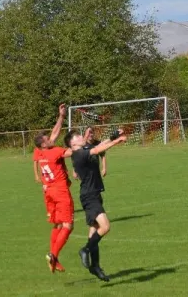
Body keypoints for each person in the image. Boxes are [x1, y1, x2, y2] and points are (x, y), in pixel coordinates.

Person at [64, 129, 127, 282]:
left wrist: (113, 135)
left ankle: (95, 266)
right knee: (105, 227)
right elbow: (98, 149)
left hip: (94, 194)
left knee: (94, 234)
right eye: (78, 136)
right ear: (73, 143)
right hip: (89, 196)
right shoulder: (78, 154)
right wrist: (116, 142)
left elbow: (100, 144)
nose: (82, 136)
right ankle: (85, 249)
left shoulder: (84, 148)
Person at [33, 103, 74, 273]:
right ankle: (53, 255)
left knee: (57, 225)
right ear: (44, 144)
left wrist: (61, 116)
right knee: (68, 225)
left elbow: (55, 133)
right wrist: (84, 142)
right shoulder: (55, 151)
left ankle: (53, 258)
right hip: (60, 191)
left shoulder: (40, 152)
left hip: (48, 191)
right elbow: (72, 152)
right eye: (47, 139)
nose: (51, 139)